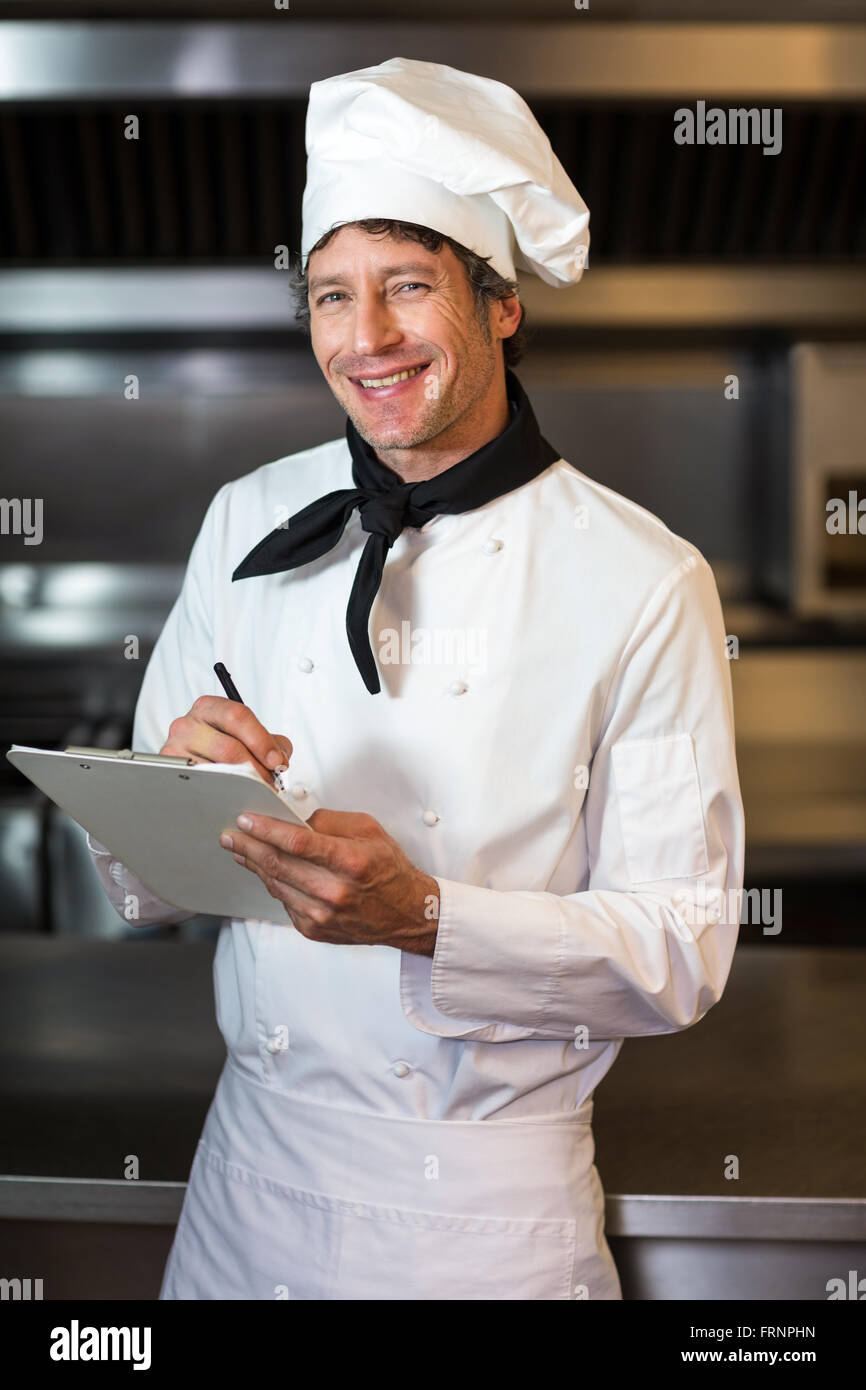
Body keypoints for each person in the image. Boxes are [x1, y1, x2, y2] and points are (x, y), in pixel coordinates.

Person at [88, 57, 744, 1301]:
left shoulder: (644, 577)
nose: (366, 339)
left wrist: (427, 918)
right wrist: (172, 789)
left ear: (499, 305)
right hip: (243, 1191)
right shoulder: (248, 517)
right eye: (331, 297)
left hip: (486, 1226)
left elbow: (681, 947)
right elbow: (139, 885)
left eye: (405, 288)